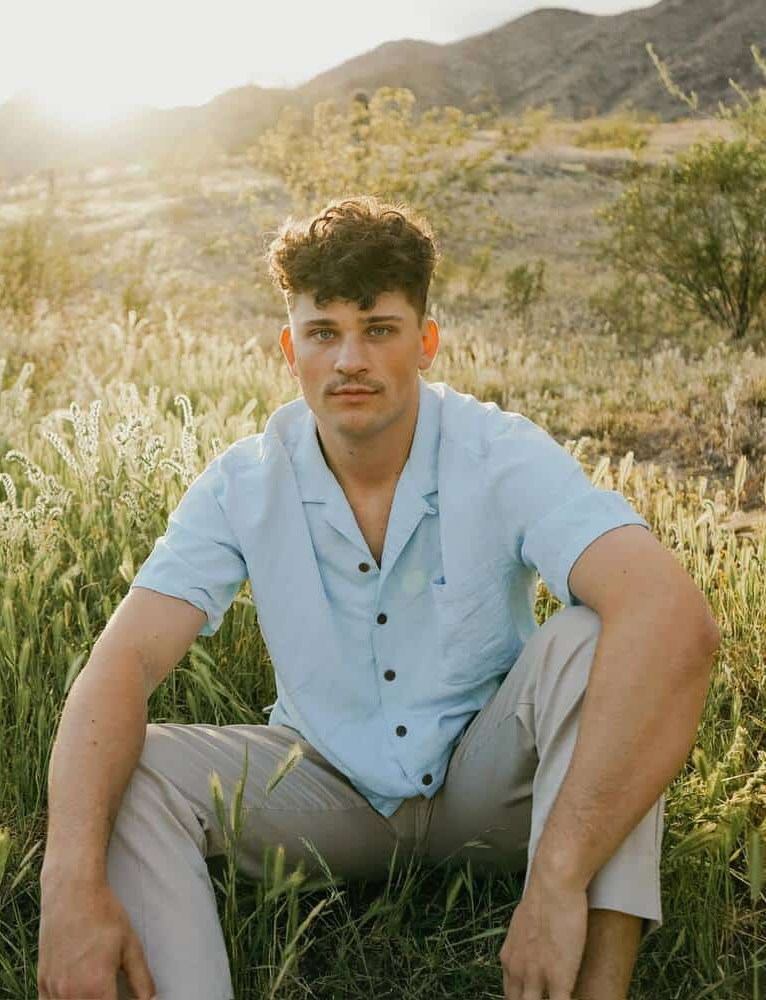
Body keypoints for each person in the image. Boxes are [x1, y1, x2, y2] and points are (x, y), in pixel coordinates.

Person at [37, 195, 720, 1000]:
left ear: (425, 342)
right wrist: (67, 883)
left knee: (599, 638)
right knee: (127, 764)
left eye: (380, 329)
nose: (349, 360)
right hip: (328, 790)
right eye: (324, 333)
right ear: (291, 348)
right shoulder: (243, 483)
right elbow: (121, 664)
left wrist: (558, 876)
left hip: (490, 792)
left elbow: (674, 618)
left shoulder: (498, 451)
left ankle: (593, 985)